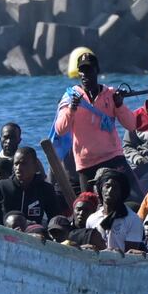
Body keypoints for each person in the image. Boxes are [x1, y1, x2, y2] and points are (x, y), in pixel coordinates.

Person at [51, 51, 139, 197]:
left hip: (113, 157)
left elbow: (131, 125)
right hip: (86, 163)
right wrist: (72, 109)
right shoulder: (69, 97)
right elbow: (60, 130)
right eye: (82, 70)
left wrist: (119, 105)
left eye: (89, 70)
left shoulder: (110, 94)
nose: (85, 74)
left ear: (97, 70)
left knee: (138, 195)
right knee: (89, 204)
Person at [0, 146, 63, 227]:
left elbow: (55, 220)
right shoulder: (1, 188)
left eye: (23, 164)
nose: (18, 168)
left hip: (33, 236)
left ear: (35, 166)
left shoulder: (46, 189)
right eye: (16, 164)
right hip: (5, 236)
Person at [84, 168, 145, 253]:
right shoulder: (91, 219)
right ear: (101, 188)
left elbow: (131, 256)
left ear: (122, 192)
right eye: (107, 186)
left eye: (115, 187)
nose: (110, 191)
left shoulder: (133, 220)